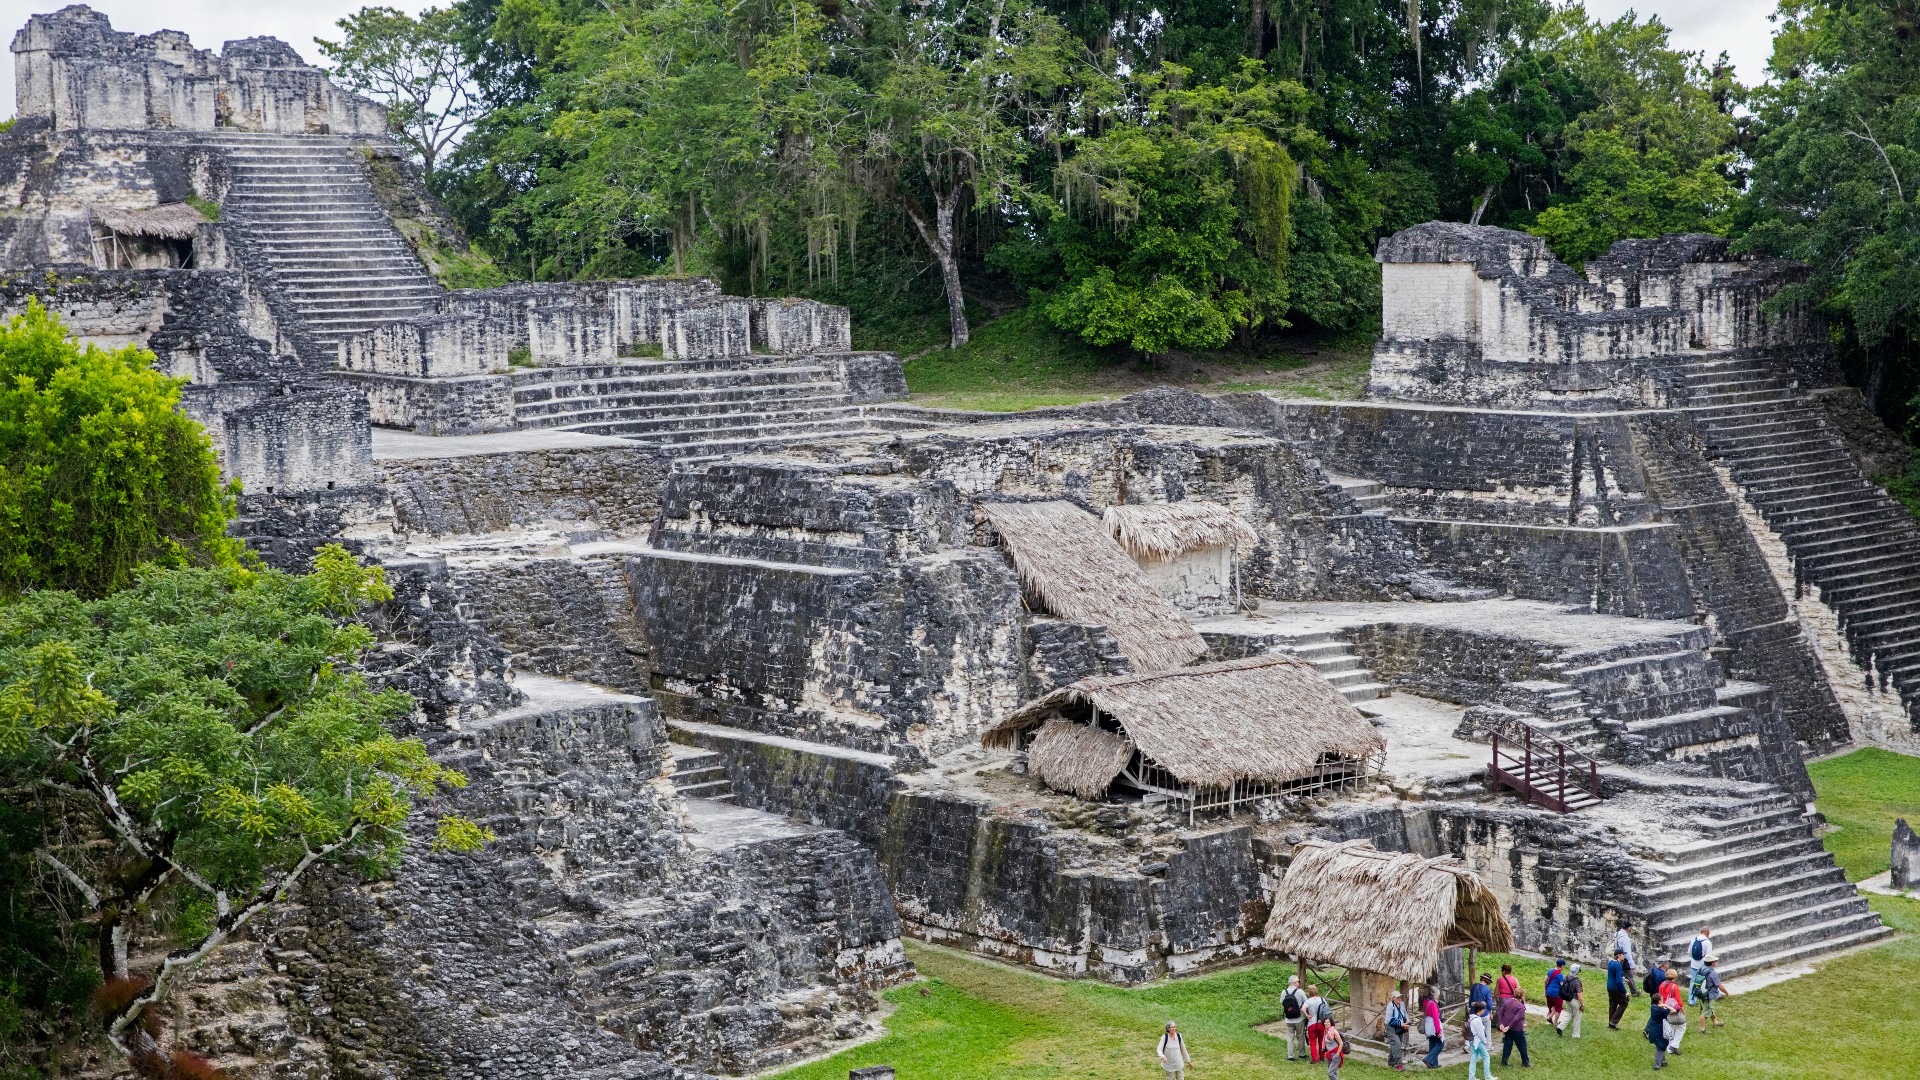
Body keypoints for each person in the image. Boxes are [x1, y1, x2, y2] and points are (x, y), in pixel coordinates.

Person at [1495, 988, 1530, 1069]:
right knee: (1522, 1046)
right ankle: (1525, 1063)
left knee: (1507, 1045)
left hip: (1507, 1028)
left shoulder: (1508, 1001)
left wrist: (1501, 1024)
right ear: (1522, 996)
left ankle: (1504, 1062)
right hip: (1516, 1029)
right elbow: (1516, 1019)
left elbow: (1500, 1012)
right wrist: (1508, 1026)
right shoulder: (1521, 1006)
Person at [1281, 975, 1310, 1061]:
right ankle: (1302, 1054)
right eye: (1298, 981)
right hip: (1299, 1018)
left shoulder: (1284, 992)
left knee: (1290, 1037)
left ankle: (1290, 1056)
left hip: (1288, 1019)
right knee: (1300, 1036)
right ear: (1294, 983)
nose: (1299, 983)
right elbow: (1306, 1002)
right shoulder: (1300, 991)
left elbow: (1282, 1002)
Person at [1658, 974, 1688, 1055]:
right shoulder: (1674, 987)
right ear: (1674, 978)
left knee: (1669, 1027)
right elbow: (1679, 1001)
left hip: (1664, 1007)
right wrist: (1683, 1011)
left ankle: (1670, 1047)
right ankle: (1674, 1046)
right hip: (1673, 1008)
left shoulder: (1662, 985)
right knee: (1682, 1026)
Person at [1467, 1000, 1495, 1080]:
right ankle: (1487, 1076)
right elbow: (1481, 1034)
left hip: (1472, 1040)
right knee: (1486, 1057)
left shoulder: (1471, 1018)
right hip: (1478, 1041)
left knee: (1473, 1058)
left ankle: (1471, 1077)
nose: (1484, 1010)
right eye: (1483, 1009)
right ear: (1479, 1010)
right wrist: (1485, 1042)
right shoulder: (1478, 1021)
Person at [1645, 986, 1671, 1070]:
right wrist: (1667, 1006)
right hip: (1660, 1030)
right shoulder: (1661, 1010)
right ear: (1659, 1001)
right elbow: (1672, 1011)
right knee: (1661, 1046)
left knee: (1661, 1045)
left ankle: (1663, 1061)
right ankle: (1657, 1065)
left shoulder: (1653, 1007)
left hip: (1654, 1029)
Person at [1698, 955, 1728, 1028]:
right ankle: (1702, 1029)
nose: (1716, 962)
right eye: (1715, 961)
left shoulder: (1701, 969)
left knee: (1710, 1008)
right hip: (1709, 995)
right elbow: (1719, 986)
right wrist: (1727, 993)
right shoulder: (1712, 973)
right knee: (1706, 1012)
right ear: (1712, 963)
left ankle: (1715, 1022)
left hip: (1702, 993)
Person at [1385, 988, 1411, 1071]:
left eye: (1400, 997)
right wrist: (1401, 1024)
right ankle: (1399, 1065)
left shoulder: (1402, 1004)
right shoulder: (1390, 1006)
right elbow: (1389, 1020)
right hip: (1390, 1027)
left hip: (1400, 1026)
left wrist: (1407, 1020)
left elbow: (1404, 1013)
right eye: (1397, 997)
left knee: (1397, 1043)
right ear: (1393, 998)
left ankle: (1391, 1061)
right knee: (1397, 1044)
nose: (1399, 999)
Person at [1606, 949, 1631, 1029]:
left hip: (1610, 986)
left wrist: (1623, 979)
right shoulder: (1618, 965)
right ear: (1619, 955)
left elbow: (1614, 975)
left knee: (1613, 1004)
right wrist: (1625, 991)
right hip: (1616, 988)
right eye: (1623, 954)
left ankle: (1611, 1023)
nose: (1624, 956)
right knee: (1624, 1003)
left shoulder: (1610, 962)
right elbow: (1618, 981)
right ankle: (1614, 1021)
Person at [1421, 986, 1445, 1069]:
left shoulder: (1425, 1001)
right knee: (1440, 1044)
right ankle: (1428, 1059)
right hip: (1433, 1026)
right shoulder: (1433, 1004)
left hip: (1428, 1025)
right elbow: (1435, 1018)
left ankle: (1433, 1064)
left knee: (1432, 1043)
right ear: (1434, 994)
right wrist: (1438, 1031)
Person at [1559, 963, 1585, 1039]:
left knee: (1570, 1014)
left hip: (1567, 999)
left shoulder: (1566, 977)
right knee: (1577, 1017)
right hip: (1575, 1001)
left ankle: (1560, 1027)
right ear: (1577, 971)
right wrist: (1582, 1004)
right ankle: (1576, 1035)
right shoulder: (1577, 981)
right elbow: (1579, 995)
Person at [1687, 928, 1713, 1003]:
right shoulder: (1707, 942)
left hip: (1694, 965)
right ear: (1707, 933)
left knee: (1693, 981)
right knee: (1705, 981)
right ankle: (1705, 997)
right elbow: (1708, 956)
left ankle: (1691, 999)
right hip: (1703, 966)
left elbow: (1689, 952)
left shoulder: (1693, 940)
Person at [1304, 986, 1329, 1064]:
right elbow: (1327, 1008)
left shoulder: (1308, 1001)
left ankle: (1314, 1059)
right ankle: (1322, 1057)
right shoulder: (1322, 999)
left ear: (1309, 992)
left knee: (1312, 1042)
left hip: (1312, 1023)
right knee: (1321, 1041)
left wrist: (1307, 1015)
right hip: (1321, 1023)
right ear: (1316, 991)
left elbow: (1302, 1009)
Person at [1615, 922, 1639, 993]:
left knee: (1619, 974)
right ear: (1628, 928)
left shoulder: (1617, 934)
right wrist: (1631, 964)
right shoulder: (1626, 938)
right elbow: (1627, 952)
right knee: (1628, 974)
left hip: (1617, 956)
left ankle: (1632, 990)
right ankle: (1633, 991)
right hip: (1623, 958)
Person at [1543, 960, 1565, 1030]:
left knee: (1553, 1006)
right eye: (1564, 966)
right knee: (1558, 1008)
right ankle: (1555, 1022)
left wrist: (1546, 988)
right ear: (1562, 966)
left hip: (1548, 992)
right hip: (1556, 994)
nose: (1564, 967)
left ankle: (1550, 1017)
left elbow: (1545, 980)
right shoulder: (1560, 975)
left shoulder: (1550, 970)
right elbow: (1562, 985)